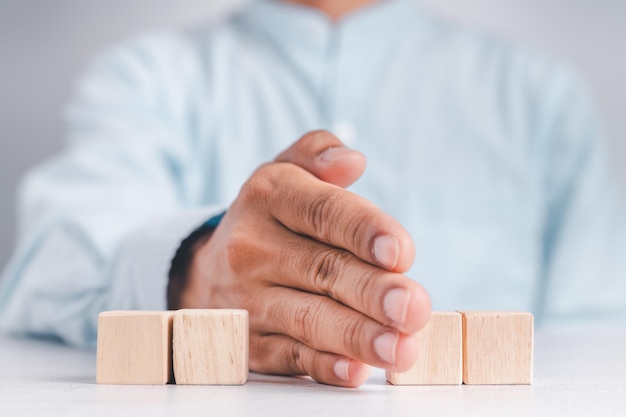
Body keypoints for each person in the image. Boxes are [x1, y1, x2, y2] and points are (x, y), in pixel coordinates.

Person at [1, 0, 625, 388]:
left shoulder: (540, 96)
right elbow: (46, 266)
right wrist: (195, 269)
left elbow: (601, 337)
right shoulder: (142, 77)